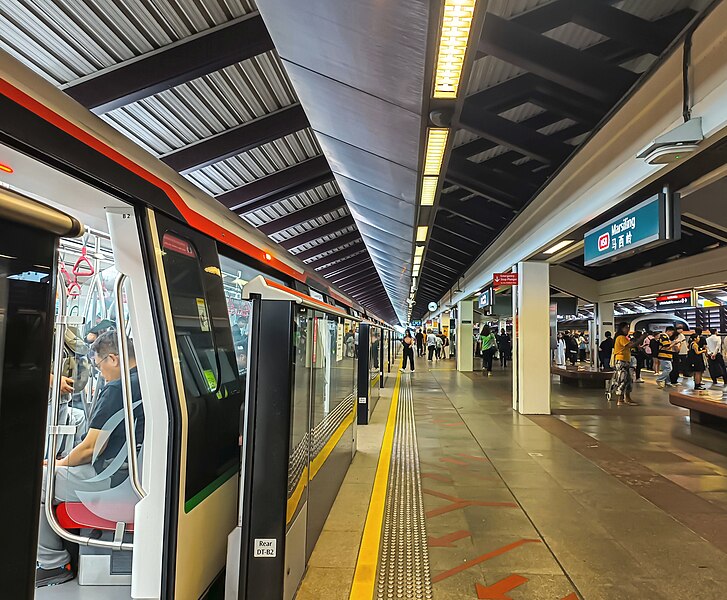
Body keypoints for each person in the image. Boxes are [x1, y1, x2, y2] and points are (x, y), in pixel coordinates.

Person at [36, 331, 145, 587]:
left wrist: (57, 464)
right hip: (129, 470)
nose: (101, 374)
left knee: (35, 481)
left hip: (110, 479)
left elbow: (89, 449)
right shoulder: (145, 380)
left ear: (113, 359)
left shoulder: (117, 389)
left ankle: (53, 564)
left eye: (100, 366)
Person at [607, 323, 645, 405]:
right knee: (622, 379)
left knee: (628, 380)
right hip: (621, 361)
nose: (628, 329)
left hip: (626, 361)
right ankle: (620, 399)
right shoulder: (621, 337)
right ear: (622, 328)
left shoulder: (623, 337)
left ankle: (627, 398)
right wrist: (642, 338)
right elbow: (632, 345)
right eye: (626, 328)